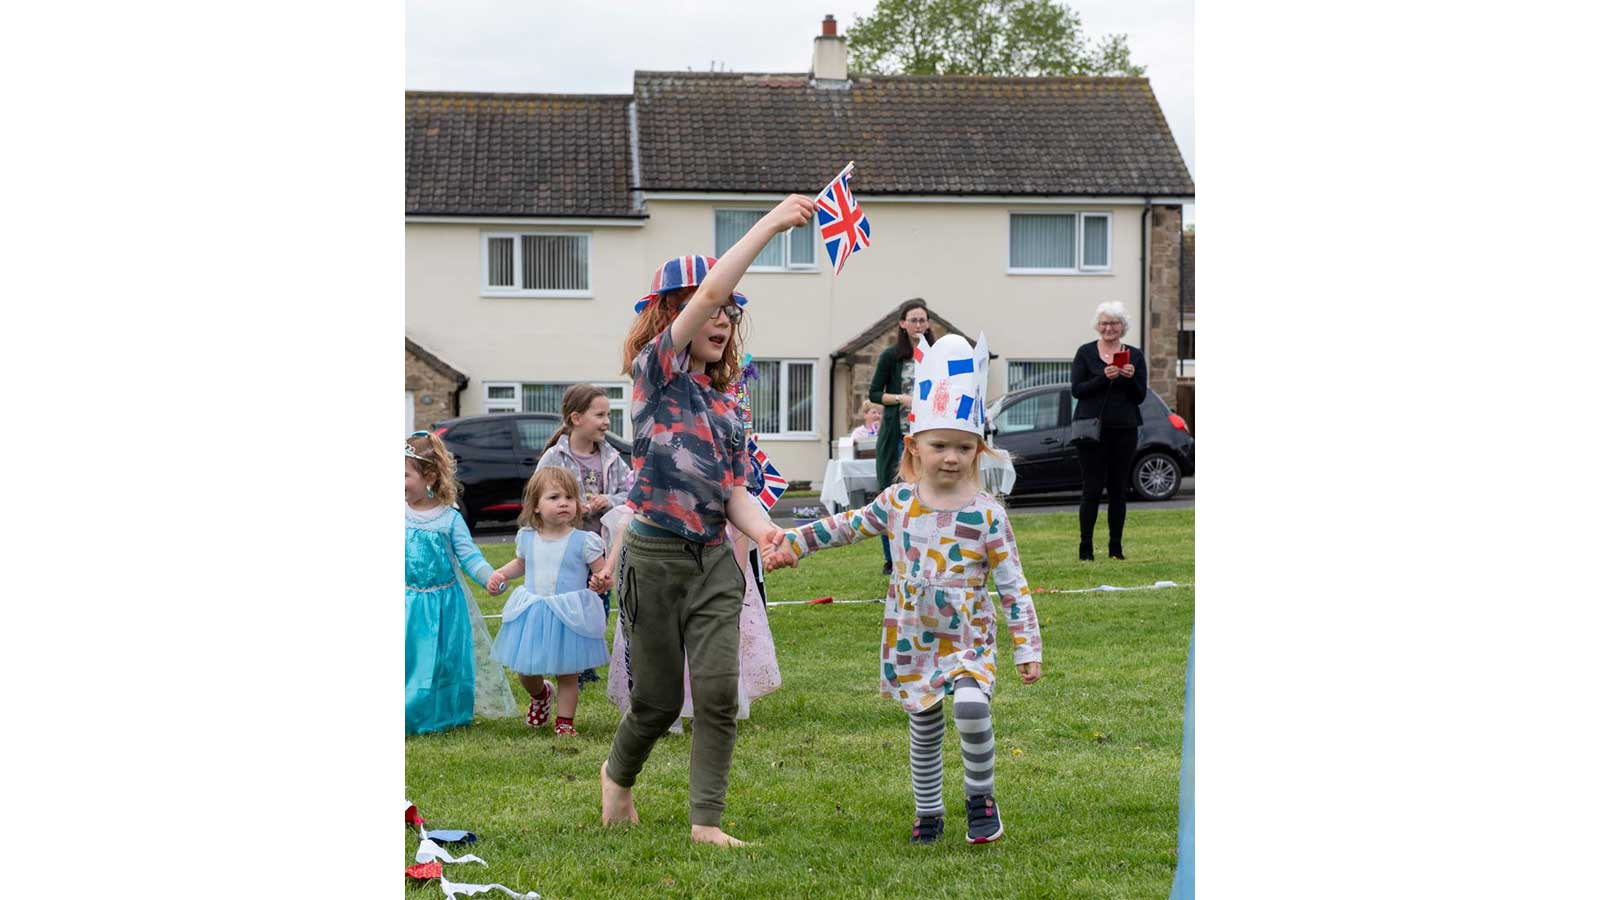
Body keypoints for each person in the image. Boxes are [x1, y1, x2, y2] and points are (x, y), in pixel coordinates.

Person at [765, 333, 1044, 846]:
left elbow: (1013, 586)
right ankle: (929, 811)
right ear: (915, 446)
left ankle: (980, 797)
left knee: (970, 706)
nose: (952, 458)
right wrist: (794, 541)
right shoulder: (898, 502)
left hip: (967, 636)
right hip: (912, 636)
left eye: (964, 448)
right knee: (923, 722)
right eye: (940, 446)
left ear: (978, 450)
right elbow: (845, 525)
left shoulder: (988, 513)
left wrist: (1027, 645)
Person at [600, 195, 813, 848]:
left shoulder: (729, 401)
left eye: (728, 311)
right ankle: (616, 778)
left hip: (714, 563)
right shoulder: (655, 376)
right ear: (672, 316)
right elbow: (715, 283)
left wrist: (768, 531)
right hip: (653, 561)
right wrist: (773, 224)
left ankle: (706, 824)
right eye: (706, 306)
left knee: (719, 695)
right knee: (659, 703)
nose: (720, 315)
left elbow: (734, 489)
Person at [485, 467, 612, 737]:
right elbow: (521, 564)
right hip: (534, 612)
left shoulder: (584, 541)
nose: (564, 503)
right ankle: (541, 694)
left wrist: (601, 580)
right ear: (536, 506)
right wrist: (501, 574)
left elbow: (602, 571)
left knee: (568, 673)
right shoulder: (528, 537)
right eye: (554, 497)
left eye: (570, 497)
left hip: (568, 615)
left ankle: (565, 722)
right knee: (525, 669)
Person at [405, 431, 516, 736]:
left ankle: (444, 714)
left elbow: (470, 557)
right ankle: (407, 710)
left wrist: (490, 577)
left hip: (445, 605)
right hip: (406, 603)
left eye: (404, 475)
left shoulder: (448, 518)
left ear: (429, 476)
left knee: (444, 661)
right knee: (409, 658)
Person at [536, 383, 631, 686]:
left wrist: (609, 500)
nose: (606, 422)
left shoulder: (612, 457)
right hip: (565, 548)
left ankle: (586, 664)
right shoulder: (554, 457)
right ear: (576, 418)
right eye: (600, 414)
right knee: (566, 604)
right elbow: (538, 495)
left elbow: (630, 494)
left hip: (599, 549)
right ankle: (566, 664)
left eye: (609, 415)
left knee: (596, 605)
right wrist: (573, 506)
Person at [1070, 301, 1148, 561]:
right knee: (1091, 488)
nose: (1109, 328)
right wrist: (1105, 376)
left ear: (1122, 327)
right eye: (1104, 323)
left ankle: (1116, 548)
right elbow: (1077, 390)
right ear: (1098, 326)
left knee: (1118, 490)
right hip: (1091, 431)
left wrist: (1130, 376)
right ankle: (1086, 549)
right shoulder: (1085, 352)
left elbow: (1140, 396)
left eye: (1114, 323)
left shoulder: (1134, 355)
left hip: (1124, 430)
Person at [867, 299, 934, 575]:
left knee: (927, 494)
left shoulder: (936, 355)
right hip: (899, 435)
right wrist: (901, 399)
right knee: (894, 494)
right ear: (903, 324)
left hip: (927, 435)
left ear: (928, 324)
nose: (918, 325)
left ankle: (925, 553)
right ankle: (891, 557)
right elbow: (873, 394)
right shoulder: (891, 357)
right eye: (913, 320)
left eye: (922, 320)